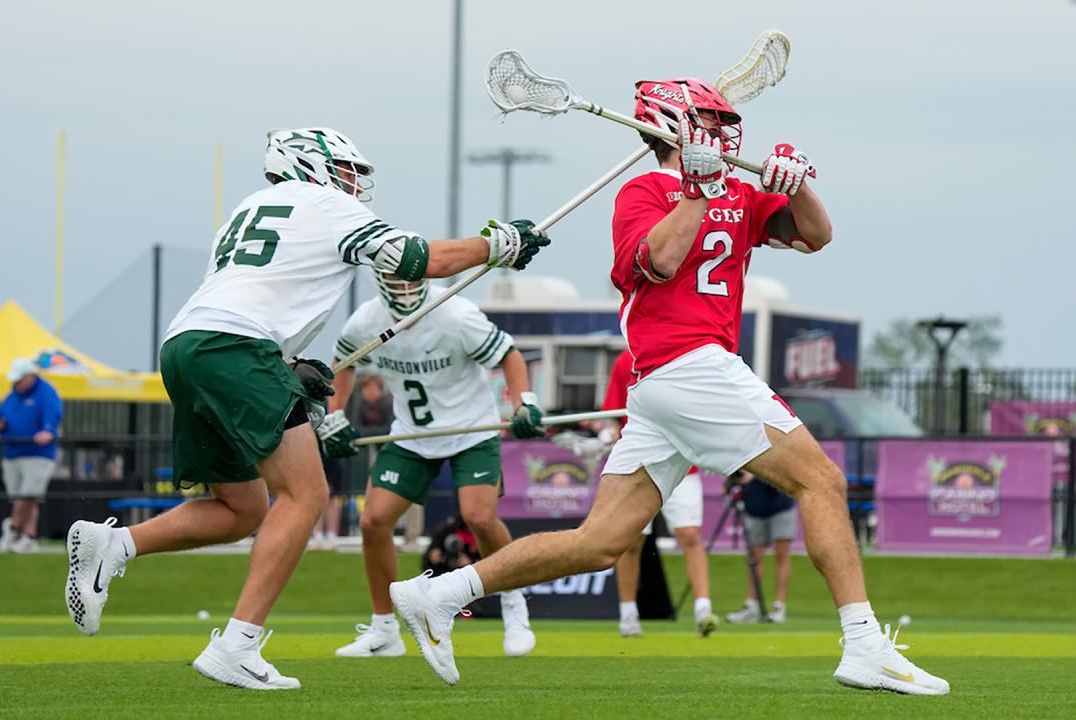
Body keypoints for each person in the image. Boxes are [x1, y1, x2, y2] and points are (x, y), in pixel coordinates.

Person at [391, 79, 949, 695]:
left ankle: (439, 594)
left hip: (671, 384)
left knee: (598, 544)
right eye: (709, 121)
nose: (723, 132)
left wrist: (796, 182)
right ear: (673, 127)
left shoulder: (737, 190)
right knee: (822, 480)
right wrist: (696, 191)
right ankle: (864, 644)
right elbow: (657, 261)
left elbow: (816, 235)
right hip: (687, 364)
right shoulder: (641, 191)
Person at [62, 127, 550, 690]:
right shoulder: (324, 202)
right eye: (346, 170)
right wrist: (496, 244)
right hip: (237, 349)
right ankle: (237, 645)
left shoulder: (247, 208)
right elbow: (415, 258)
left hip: (187, 346)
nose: (354, 183)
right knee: (307, 493)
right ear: (309, 164)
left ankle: (115, 545)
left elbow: (256, 291)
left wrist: (284, 364)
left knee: (242, 509)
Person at [320, 268, 542, 660]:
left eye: (412, 278)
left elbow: (509, 354)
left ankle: (513, 602)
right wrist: (334, 414)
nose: (406, 288)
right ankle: (384, 629)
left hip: (471, 429)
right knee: (373, 521)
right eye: (396, 279)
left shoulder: (456, 314)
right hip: (412, 434)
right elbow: (343, 362)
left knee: (480, 517)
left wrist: (524, 402)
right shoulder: (366, 319)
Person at [602, 350, 716, 638]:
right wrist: (607, 432)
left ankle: (703, 610)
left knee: (690, 535)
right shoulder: (625, 361)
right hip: (640, 466)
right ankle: (628, 614)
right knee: (632, 541)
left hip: (683, 463)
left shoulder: (684, 353)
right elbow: (612, 413)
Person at [0, 358, 62, 552]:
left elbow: (53, 416)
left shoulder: (47, 392)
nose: (16, 383)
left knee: (28, 495)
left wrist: (48, 430)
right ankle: (28, 538)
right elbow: (2, 414)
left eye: (19, 379)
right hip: (12, 453)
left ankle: (12, 528)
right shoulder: (12, 394)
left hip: (37, 454)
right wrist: (1, 424)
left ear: (30, 376)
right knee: (24, 498)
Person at [725, 470, 796, 624]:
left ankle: (779, 606)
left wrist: (755, 476)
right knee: (754, 559)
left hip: (780, 505)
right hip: (754, 507)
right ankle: (752, 606)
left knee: (781, 555)